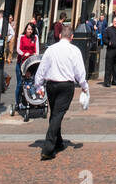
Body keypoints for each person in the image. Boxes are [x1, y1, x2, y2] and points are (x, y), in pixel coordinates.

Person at [34, 23, 89, 159]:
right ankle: (48, 148)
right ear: (71, 37)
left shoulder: (50, 49)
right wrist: (84, 86)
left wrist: (38, 85)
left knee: (55, 114)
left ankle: (58, 142)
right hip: (66, 86)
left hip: (51, 84)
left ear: (59, 36)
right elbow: (79, 70)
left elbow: (42, 68)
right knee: (58, 114)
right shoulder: (74, 50)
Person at [12, 22, 39, 114]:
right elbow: (18, 49)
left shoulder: (35, 38)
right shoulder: (21, 37)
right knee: (20, 83)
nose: (29, 31)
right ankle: (18, 102)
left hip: (31, 63)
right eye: (28, 29)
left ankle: (31, 99)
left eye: (31, 29)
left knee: (31, 82)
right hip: (22, 61)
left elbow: (37, 50)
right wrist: (24, 54)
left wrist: (34, 55)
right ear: (25, 29)